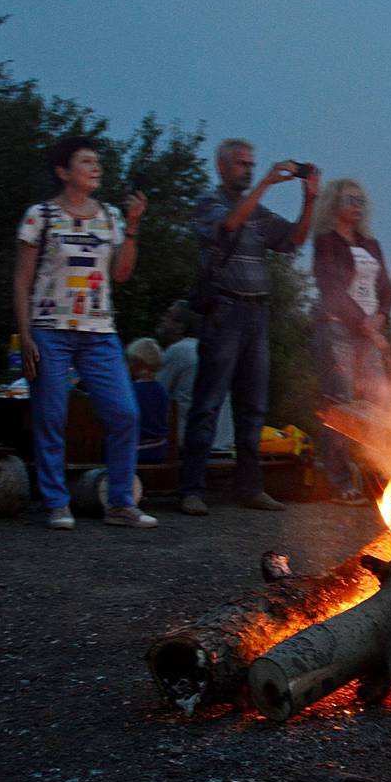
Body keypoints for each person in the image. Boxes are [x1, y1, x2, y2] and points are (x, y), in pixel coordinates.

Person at [12, 137, 155, 530]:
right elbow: (22, 280)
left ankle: (121, 503)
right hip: (50, 329)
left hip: (99, 330)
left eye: (97, 161)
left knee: (125, 412)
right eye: (86, 161)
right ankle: (57, 503)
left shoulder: (109, 216)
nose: (96, 167)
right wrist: (25, 335)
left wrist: (133, 226)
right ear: (63, 172)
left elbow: (121, 274)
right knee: (51, 415)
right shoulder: (39, 216)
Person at [177, 140, 318, 516]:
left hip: (257, 312)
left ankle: (250, 488)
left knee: (254, 405)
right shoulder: (209, 202)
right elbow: (229, 223)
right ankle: (192, 488)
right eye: (242, 164)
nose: (249, 170)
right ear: (222, 167)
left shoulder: (260, 212)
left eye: (253, 165)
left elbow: (294, 240)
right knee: (208, 402)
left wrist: (310, 199)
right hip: (224, 308)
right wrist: (269, 182)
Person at [311, 178, 391, 506]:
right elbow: (331, 289)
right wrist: (363, 323)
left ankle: (381, 477)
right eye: (349, 200)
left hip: (369, 333)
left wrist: (382, 316)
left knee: (381, 403)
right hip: (337, 331)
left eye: (360, 200)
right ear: (333, 206)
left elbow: (386, 287)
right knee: (341, 406)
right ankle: (340, 480)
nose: (356, 206)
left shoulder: (370, 244)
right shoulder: (326, 243)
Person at [156, 302, 233, 450]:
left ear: (181, 327)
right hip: (223, 443)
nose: (162, 319)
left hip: (189, 446)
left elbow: (156, 396)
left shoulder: (179, 351)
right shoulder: (214, 352)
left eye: (168, 316)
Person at [127, 337, 173, 465]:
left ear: (136, 362)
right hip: (159, 447)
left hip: (138, 448)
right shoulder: (161, 391)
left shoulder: (131, 391)